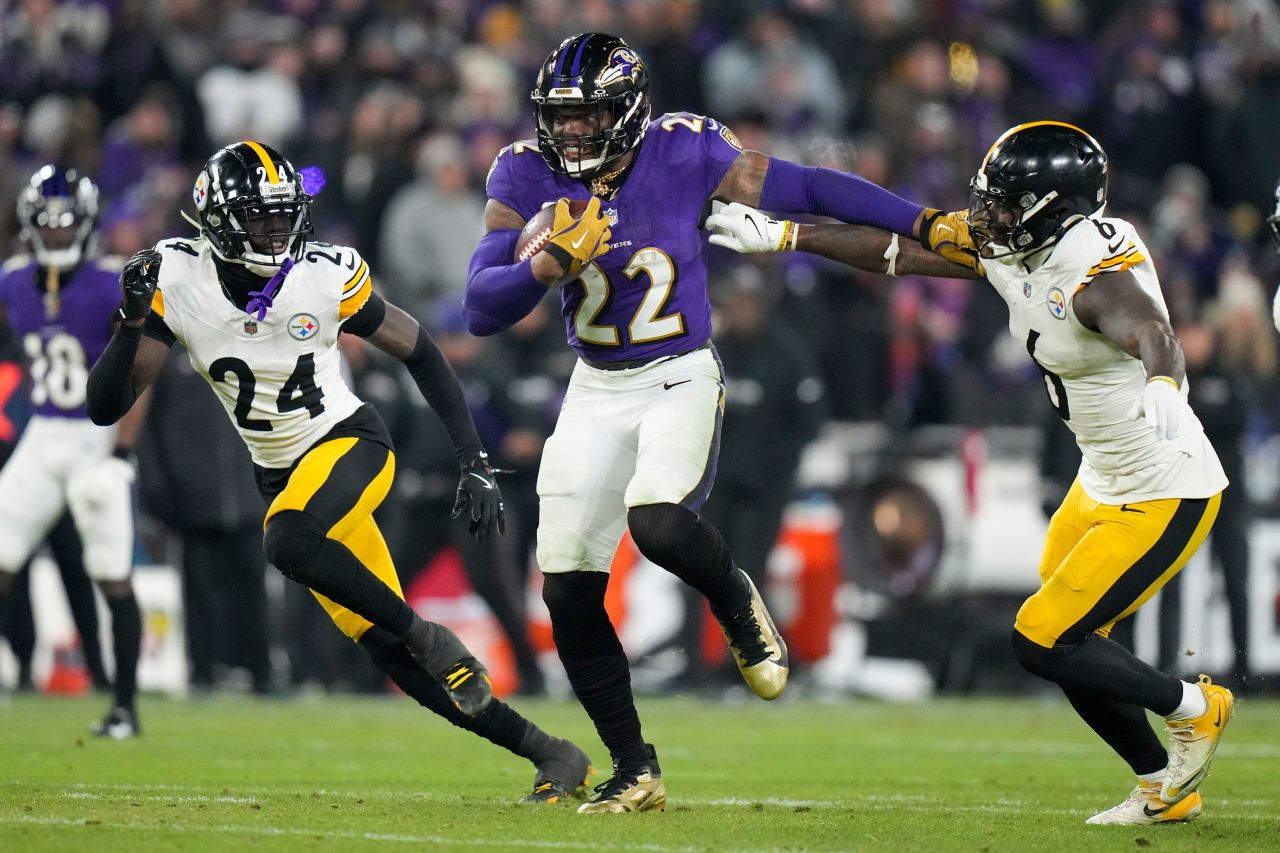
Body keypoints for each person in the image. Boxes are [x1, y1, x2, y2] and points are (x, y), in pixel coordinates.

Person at [463, 32, 947, 813]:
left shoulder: (685, 149)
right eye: (564, 116)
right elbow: (482, 304)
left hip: (677, 372)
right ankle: (635, 767)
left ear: (626, 112)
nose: (574, 132)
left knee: (656, 520)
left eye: (590, 116)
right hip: (594, 386)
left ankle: (732, 594)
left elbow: (810, 187)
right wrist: (544, 266)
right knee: (565, 587)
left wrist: (922, 221)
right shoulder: (523, 170)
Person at [705, 121, 1237, 825]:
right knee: (1070, 644)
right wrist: (787, 236)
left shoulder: (1084, 273)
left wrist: (1166, 383)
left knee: (1044, 635)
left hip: (1163, 488)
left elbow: (1150, 330)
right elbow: (901, 249)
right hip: (1100, 479)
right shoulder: (1023, 242)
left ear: (1055, 208)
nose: (990, 217)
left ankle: (1197, 707)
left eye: (1007, 204)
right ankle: (1162, 785)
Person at [85, 141, 590, 803]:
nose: (276, 229)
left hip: (350, 444)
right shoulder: (176, 278)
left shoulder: (324, 275)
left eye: (281, 214)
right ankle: (550, 752)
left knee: (286, 539)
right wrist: (128, 322)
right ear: (216, 221)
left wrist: (473, 458)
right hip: (285, 476)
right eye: (259, 218)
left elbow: (422, 349)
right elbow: (106, 405)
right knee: (389, 654)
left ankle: (429, 634)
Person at [0, 166, 146, 737]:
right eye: (48, 226)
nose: (57, 235)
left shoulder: (113, 281)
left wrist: (122, 451)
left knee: (112, 574)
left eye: (66, 226)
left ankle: (125, 707)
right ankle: (19, 670)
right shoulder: (13, 280)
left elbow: (138, 372)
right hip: (42, 432)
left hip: (94, 435)